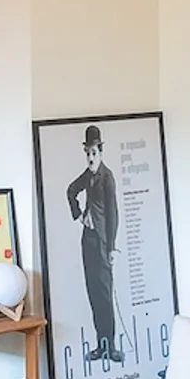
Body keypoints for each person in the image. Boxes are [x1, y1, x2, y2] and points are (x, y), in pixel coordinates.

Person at [65, 125, 121, 364]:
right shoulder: (87, 175)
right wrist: (78, 214)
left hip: (102, 243)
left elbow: (113, 214)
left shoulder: (107, 177)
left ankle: (111, 347)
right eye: (87, 152)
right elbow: (70, 191)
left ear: (101, 151)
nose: (90, 157)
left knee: (105, 296)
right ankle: (101, 345)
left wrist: (111, 247)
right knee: (93, 294)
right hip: (87, 241)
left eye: (94, 152)